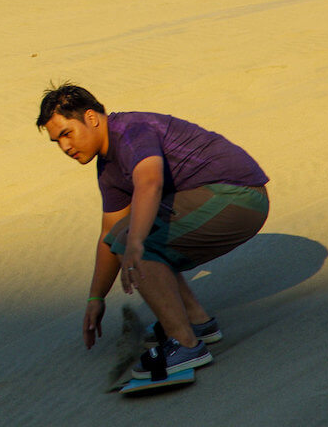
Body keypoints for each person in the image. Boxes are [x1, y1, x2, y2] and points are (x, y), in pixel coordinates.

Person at [37, 83, 269, 379]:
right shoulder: (108, 168)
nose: (65, 147)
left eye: (67, 133)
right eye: (57, 141)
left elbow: (150, 183)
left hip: (238, 197)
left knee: (138, 236)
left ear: (92, 118)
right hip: (222, 200)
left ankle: (186, 345)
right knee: (129, 233)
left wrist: (135, 242)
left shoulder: (132, 132)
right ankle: (197, 323)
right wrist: (96, 298)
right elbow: (109, 233)